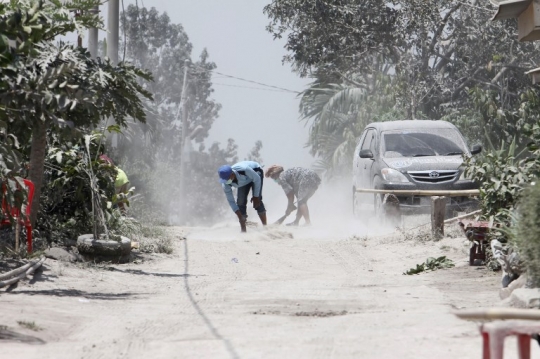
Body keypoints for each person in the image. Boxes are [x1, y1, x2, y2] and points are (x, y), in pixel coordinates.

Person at [218, 161, 267, 232]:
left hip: (256, 172)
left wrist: (255, 196)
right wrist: (239, 215)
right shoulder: (225, 184)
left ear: (232, 174)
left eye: (227, 179)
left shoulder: (244, 170)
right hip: (243, 182)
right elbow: (231, 200)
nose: (226, 181)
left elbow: (257, 179)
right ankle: (243, 231)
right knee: (240, 202)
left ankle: (266, 228)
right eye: (224, 180)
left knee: (257, 201)